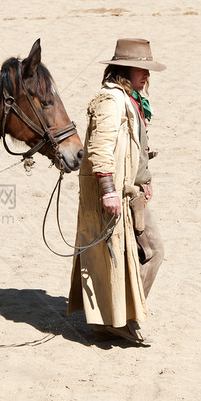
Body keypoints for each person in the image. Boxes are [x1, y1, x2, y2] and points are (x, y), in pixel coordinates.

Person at [68, 38, 166, 345]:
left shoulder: (132, 99)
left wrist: (145, 177)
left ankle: (119, 318)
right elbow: (99, 149)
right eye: (141, 69)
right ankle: (119, 320)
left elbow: (136, 146)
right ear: (125, 69)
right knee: (146, 251)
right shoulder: (112, 100)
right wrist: (108, 191)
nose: (146, 76)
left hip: (130, 190)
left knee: (146, 251)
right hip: (114, 194)